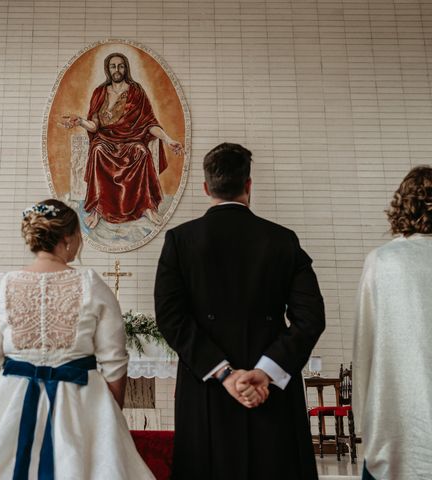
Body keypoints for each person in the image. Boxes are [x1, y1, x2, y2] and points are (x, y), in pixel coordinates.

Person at [0, 199, 154, 479]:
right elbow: (114, 361)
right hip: (82, 399)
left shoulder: (1, 284)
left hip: (11, 397)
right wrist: (109, 416)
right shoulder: (91, 283)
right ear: (68, 238)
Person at [154, 143, 326, 479]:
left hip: (208, 390)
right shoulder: (283, 240)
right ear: (248, 185)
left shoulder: (180, 241)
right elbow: (310, 318)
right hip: (270, 391)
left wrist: (225, 374)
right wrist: (264, 372)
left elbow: (171, 318)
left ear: (206, 188)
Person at [353, 166, 432, 480]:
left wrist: (365, 426)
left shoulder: (383, 261)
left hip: (397, 427)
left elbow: (365, 348)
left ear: (403, 205)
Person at [61, 52, 183, 228]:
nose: (117, 69)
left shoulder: (136, 91)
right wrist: (80, 121)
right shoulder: (100, 92)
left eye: (120, 65)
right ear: (108, 69)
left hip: (131, 139)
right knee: (97, 151)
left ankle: (147, 207)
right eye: (113, 66)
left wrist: (168, 140)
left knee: (141, 152)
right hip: (105, 140)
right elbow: (95, 126)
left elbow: (149, 123)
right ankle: (97, 210)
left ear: (126, 68)